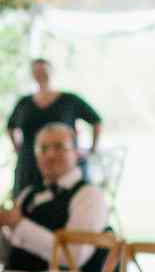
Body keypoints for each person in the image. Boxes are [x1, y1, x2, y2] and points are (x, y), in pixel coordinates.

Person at [1, 123, 112, 272]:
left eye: (59, 147)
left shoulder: (89, 195)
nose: (50, 155)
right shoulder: (27, 194)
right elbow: (10, 253)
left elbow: (74, 256)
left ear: (76, 152)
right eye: (43, 149)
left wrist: (18, 224)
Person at [7, 58, 103, 199]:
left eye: (44, 70)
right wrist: (17, 146)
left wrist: (92, 150)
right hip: (28, 165)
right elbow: (10, 127)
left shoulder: (70, 99)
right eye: (36, 71)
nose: (40, 74)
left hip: (63, 166)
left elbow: (96, 121)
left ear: (52, 72)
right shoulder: (24, 102)